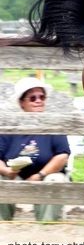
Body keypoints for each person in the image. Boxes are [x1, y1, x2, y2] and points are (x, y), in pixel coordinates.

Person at [0, 77, 71, 221]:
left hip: (45, 175)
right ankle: (2, 222)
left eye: (42, 97)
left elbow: (62, 155)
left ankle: (47, 224)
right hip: (15, 176)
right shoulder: (10, 125)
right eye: (33, 98)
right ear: (22, 102)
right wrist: (5, 170)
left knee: (55, 179)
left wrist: (40, 175)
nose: (39, 100)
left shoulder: (54, 124)